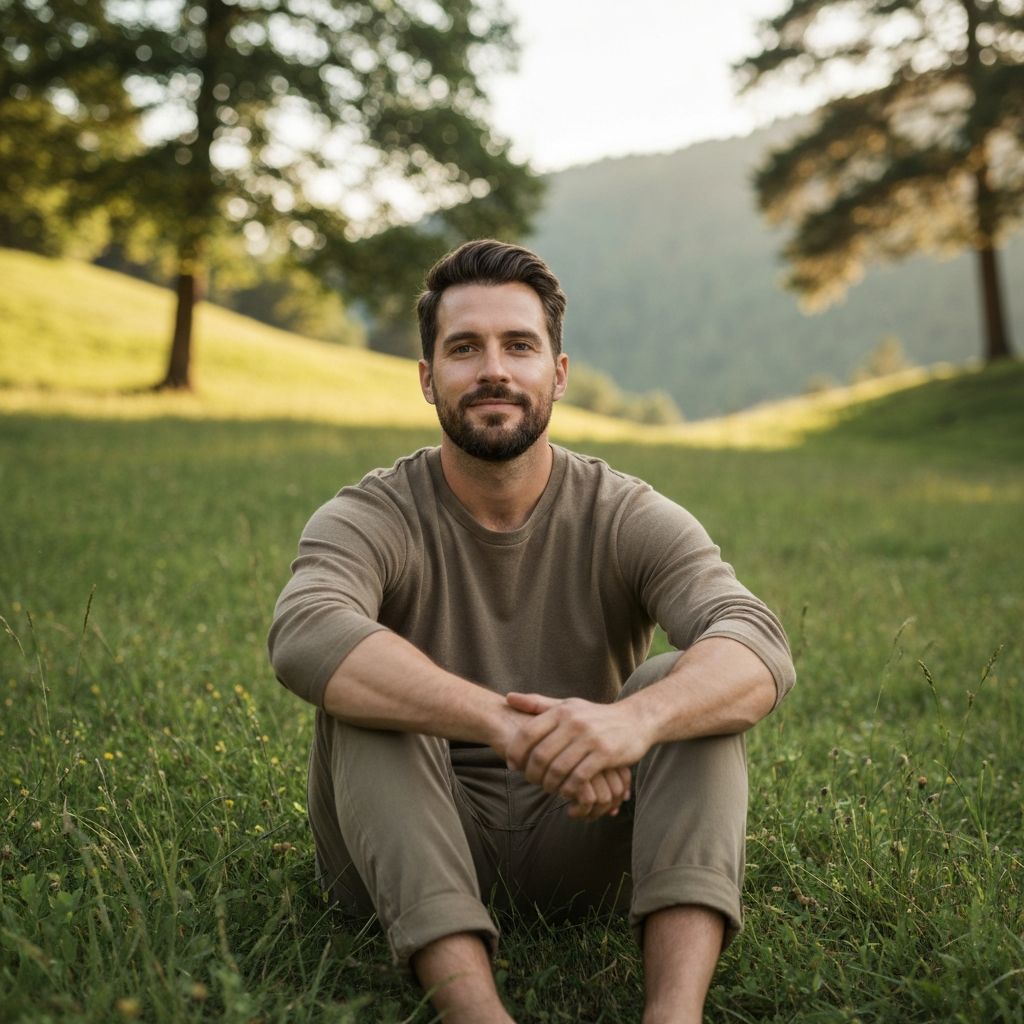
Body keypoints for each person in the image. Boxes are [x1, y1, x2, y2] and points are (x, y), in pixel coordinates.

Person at [268, 239, 795, 1024]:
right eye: (463, 348)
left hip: (591, 832)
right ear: (426, 378)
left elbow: (754, 640)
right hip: (409, 839)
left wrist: (631, 721)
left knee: (684, 690)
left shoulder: (623, 512)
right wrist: (497, 723)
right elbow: (306, 630)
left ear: (557, 372)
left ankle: (673, 1015)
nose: (494, 370)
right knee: (373, 696)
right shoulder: (371, 513)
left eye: (519, 345)